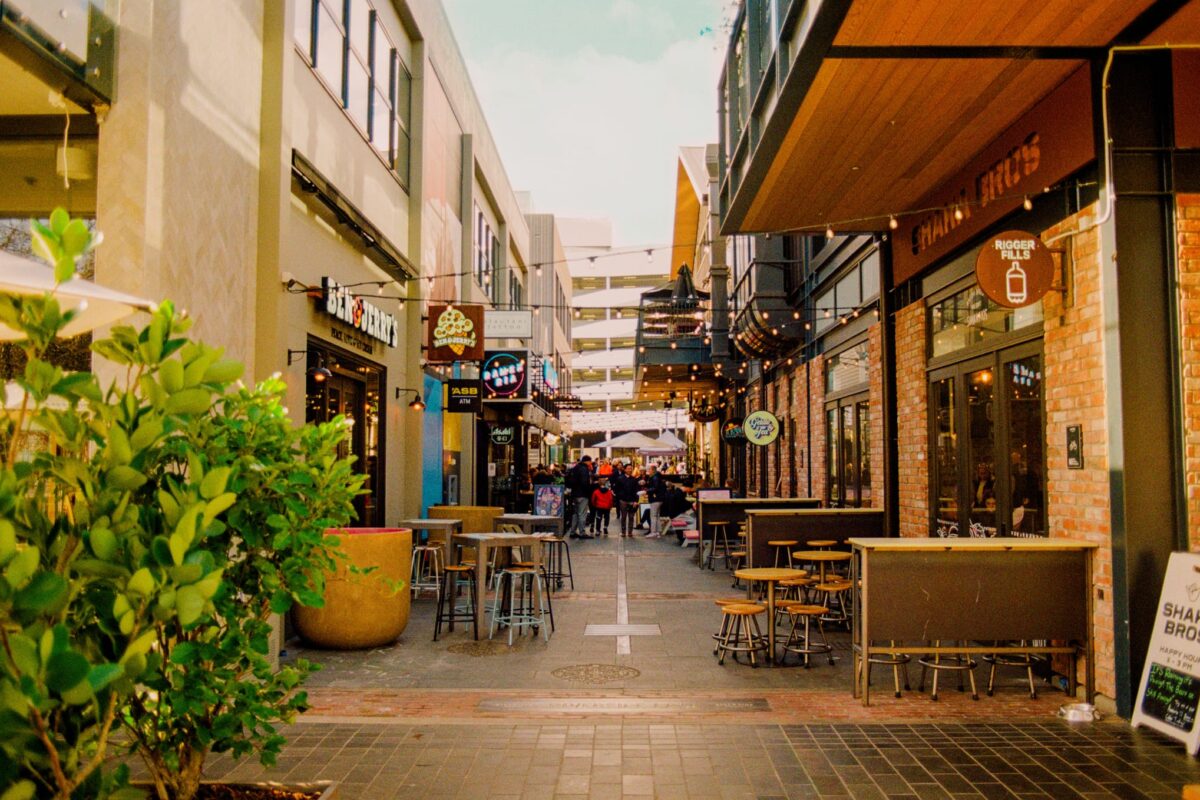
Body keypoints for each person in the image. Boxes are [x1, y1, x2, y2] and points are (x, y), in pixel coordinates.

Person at [566, 455, 595, 539]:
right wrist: (588, 492)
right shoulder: (584, 469)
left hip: (574, 494)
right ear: (588, 461)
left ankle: (573, 532)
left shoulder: (576, 467)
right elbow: (584, 482)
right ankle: (582, 532)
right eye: (590, 461)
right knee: (582, 514)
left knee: (575, 514)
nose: (590, 463)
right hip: (582, 494)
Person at [612, 464, 640, 538]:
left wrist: (636, 501)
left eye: (631, 468)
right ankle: (623, 532)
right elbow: (616, 489)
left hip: (632, 501)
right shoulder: (620, 478)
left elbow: (636, 491)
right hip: (623, 500)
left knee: (631, 517)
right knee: (623, 517)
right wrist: (620, 496)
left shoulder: (634, 479)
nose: (630, 470)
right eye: (628, 468)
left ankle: (630, 532)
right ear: (625, 469)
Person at [641, 464, 666, 538]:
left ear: (653, 470)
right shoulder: (657, 476)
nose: (648, 471)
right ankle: (658, 532)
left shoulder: (655, 477)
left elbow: (655, 488)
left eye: (649, 470)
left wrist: (646, 491)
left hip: (655, 498)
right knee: (657, 516)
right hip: (660, 498)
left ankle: (653, 532)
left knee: (653, 516)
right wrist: (646, 484)